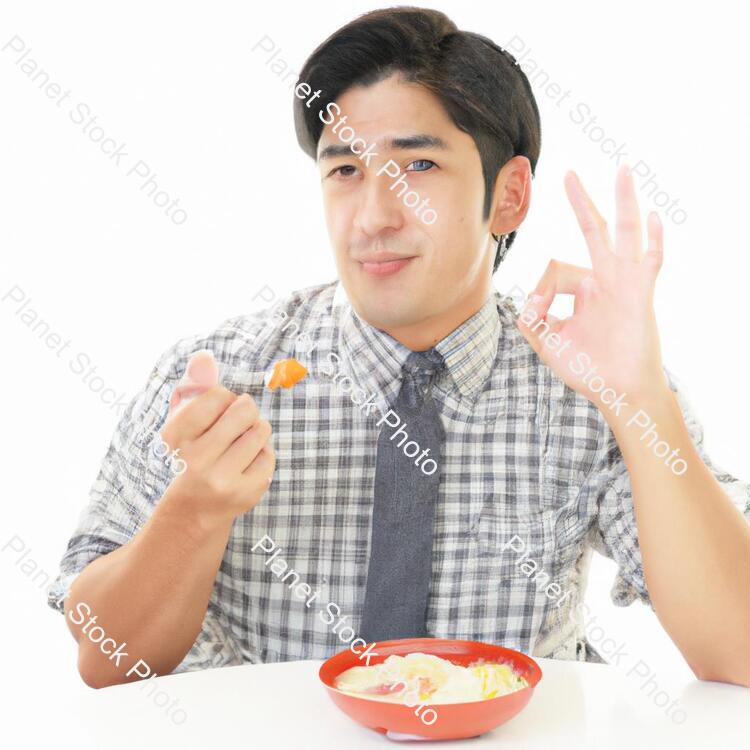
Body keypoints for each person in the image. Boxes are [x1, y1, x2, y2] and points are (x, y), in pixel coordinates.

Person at [48, 6, 750, 689]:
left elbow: (740, 650)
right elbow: (105, 662)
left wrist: (641, 401)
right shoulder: (220, 382)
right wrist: (197, 507)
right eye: (345, 171)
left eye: (417, 167)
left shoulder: (584, 380)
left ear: (508, 197)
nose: (375, 218)